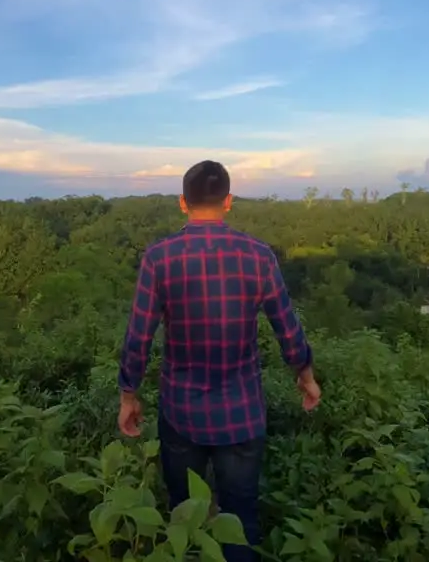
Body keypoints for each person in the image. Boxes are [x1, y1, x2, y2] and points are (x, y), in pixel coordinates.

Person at [117, 160, 321, 562]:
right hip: (242, 414)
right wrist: (305, 373)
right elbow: (287, 325)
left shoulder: (159, 258)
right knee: (240, 522)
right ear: (228, 201)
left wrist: (129, 393)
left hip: (181, 414)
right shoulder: (258, 256)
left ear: (182, 202)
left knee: (184, 517)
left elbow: (139, 336)